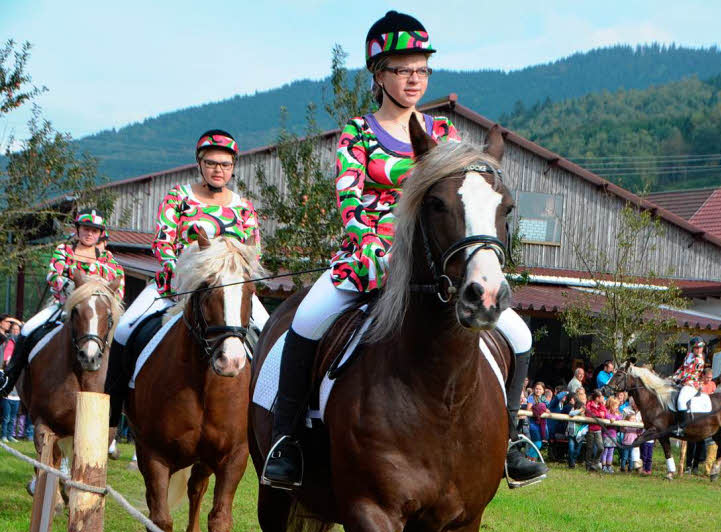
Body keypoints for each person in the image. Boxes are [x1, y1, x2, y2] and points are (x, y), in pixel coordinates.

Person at [261, 11, 546, 489]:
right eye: (403, 69)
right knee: (306, 321)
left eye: (422, 69)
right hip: (368, 259)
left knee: (519, 336)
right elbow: (349, 201)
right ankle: (286, 441)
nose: (414, 79)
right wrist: (374, 246)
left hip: (434, 266)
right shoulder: (358, 133)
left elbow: (461, 205)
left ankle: (513, 438)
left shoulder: (446, 138)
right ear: (379, 74)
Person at [103, 131, 267, 429]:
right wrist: (180, 274)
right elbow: (162, 242)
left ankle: (268, 418)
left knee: (270, 336)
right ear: (200, 164)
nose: (219, 170)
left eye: (226, 164)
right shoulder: (179, 197)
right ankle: (112, 414)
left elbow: (252, 250)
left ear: (233, 167)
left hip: (229, 292)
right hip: (175, 287)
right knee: (124, 330)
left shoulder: (244, 207)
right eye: (212, 163)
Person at [0, 209, 125, 397]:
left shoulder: (108, 259)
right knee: (27, 330)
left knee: (122, 337)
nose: (89, 233)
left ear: (100, 234)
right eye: (85, 229)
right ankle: (9, 379)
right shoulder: (64, 250)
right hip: (63, 305)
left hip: (97, 311)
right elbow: (53, 275)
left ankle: (123, 389)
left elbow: (120, 284)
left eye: (94, 230)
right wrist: (71, 288)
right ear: (78, 230)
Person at [671, 337, 705, 431]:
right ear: (692, 348)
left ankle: (683, 426)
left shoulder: (699, 360)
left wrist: (677, 378)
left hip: (691, 384)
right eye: (697, 348)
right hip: (683, 382)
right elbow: (682, 368)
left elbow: (689, 373)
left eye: (701, 347)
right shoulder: (688, 356)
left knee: (681, 401)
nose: (699, 350)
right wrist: (673, 376)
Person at [584, 390, 609, 472]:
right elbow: (589, 413)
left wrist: (599, 414)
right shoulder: (589, 404)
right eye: (601, 396)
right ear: (597, 398)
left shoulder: (601, 405)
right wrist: (599, 414)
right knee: (589, 448)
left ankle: (595, 463)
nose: (602, 398)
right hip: (590, 429)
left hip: (598, 429)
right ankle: (588, 465)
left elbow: (604, 413)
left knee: (601, 448)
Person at [565, 388, 586, 469]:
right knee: (571, 449)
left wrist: (583, 411)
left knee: (577, 450)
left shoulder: (585, 410)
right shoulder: (574, 407)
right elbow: (571, 413)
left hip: (580, 434)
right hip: (571, 432)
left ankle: (572, 460)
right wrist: (580, 410)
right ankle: (571, 463)